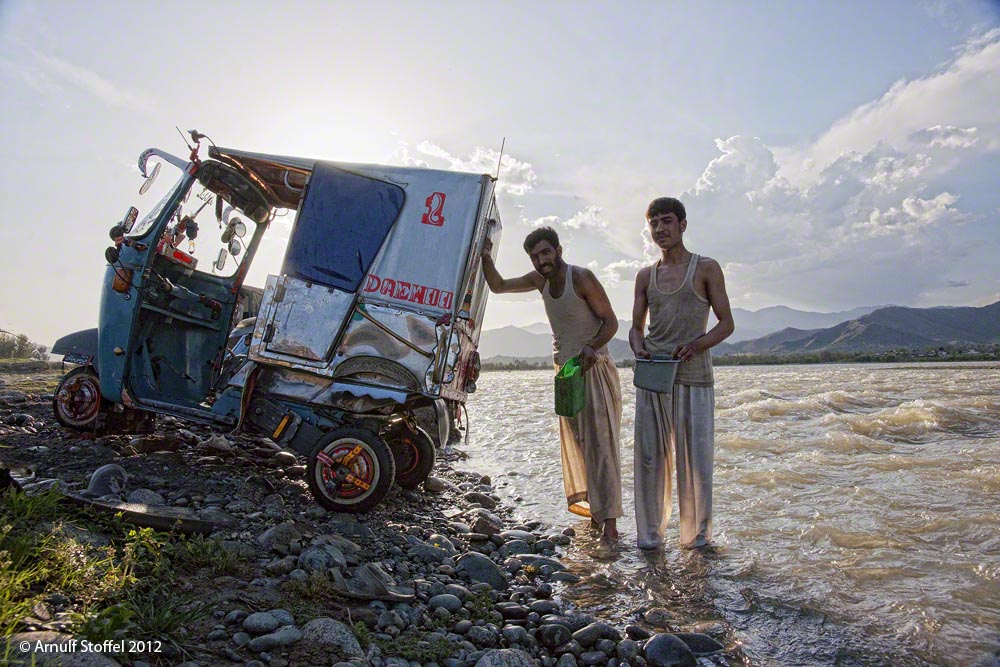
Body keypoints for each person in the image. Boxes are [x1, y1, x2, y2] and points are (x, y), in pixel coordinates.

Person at [481, 227, 623, 542]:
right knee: (581, 445)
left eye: (545, 253)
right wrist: (485, 254)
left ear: (558, 250)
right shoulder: (538, 280)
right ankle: (597, 517)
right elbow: (499, 285)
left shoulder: (582, 277)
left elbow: (610, 322)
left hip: (594, 369)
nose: (541, 260)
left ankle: (610, 527)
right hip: (565, 373)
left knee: (602, 447)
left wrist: (592, 346)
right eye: (535, 256)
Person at [629, 197, 734, 549]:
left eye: (667, 221)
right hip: (654, 376)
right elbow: (635, 328)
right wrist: (638, 348)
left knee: (696, 465)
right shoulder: (646, 276)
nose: (660, 229)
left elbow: (727, 323)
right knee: (649, 461)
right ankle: (649, 539)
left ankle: (697, 541)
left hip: (694, 376)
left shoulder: (705, 268)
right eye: (654, 223)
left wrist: (697, 345)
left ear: (683, 225)